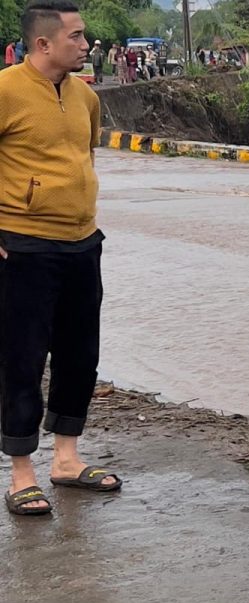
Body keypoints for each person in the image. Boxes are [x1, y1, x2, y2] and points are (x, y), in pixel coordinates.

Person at [0, 1, 117, 517]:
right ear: (43, 43)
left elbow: (84, 158)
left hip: (82, 242)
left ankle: (66, 460)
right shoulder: (5, 91)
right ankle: (21, 472)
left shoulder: (84, 96)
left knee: (79, 354)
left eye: (84, 34)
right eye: (76, 35)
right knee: (21, 360)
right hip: (23, 246)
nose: (85, 43)